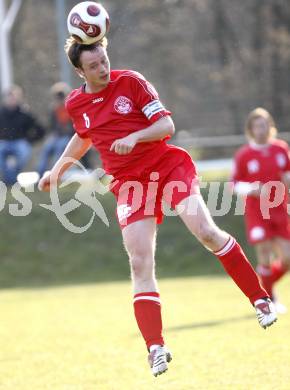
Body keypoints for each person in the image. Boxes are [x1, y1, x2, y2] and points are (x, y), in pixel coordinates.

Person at [38, 38, 277, 377]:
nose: (103, 68)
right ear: (80, 71)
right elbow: (83, 134)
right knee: (139, 262)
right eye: (94, 66)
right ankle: (155, 347)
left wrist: (135, 137)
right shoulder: (77, 103)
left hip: (166, 166)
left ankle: (259, 298)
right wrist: (58, 170)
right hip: (129, 182)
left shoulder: (131, 82)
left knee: (207, 232)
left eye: (104, 60)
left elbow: (167, 126)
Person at [232, 108, 290, 312]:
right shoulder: (244, 155)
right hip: (257, 212)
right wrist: (252, 189)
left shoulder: (281, 149)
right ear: (250, 129)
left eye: (264, 124)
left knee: (287, 258)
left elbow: (287, 176)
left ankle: (262, 289)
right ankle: (269, 300)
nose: (261, 129)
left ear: (270, 126)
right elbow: (235, 184)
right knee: (264, 254)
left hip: (280, 210)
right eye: (257, 125)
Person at [0, 85, 45, 185]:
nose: (12, 99)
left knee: (23, 152)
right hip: (4, 142)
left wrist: (29, 141)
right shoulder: (1, 113)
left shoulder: (24, 113)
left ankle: (12, 177)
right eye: (9, 96)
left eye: (14, 97)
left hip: (20, 142)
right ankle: (9, 179)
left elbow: (40, 130)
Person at [37, 82, 74, 176]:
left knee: (59, 149)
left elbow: (74, 126)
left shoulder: (70, 108)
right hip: (56, 135)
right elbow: (50, 126)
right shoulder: (54, 110)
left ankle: (57, 174)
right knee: (46, 149)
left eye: (61, 96)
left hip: (68, 136)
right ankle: (40, 174)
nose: (60, 99)